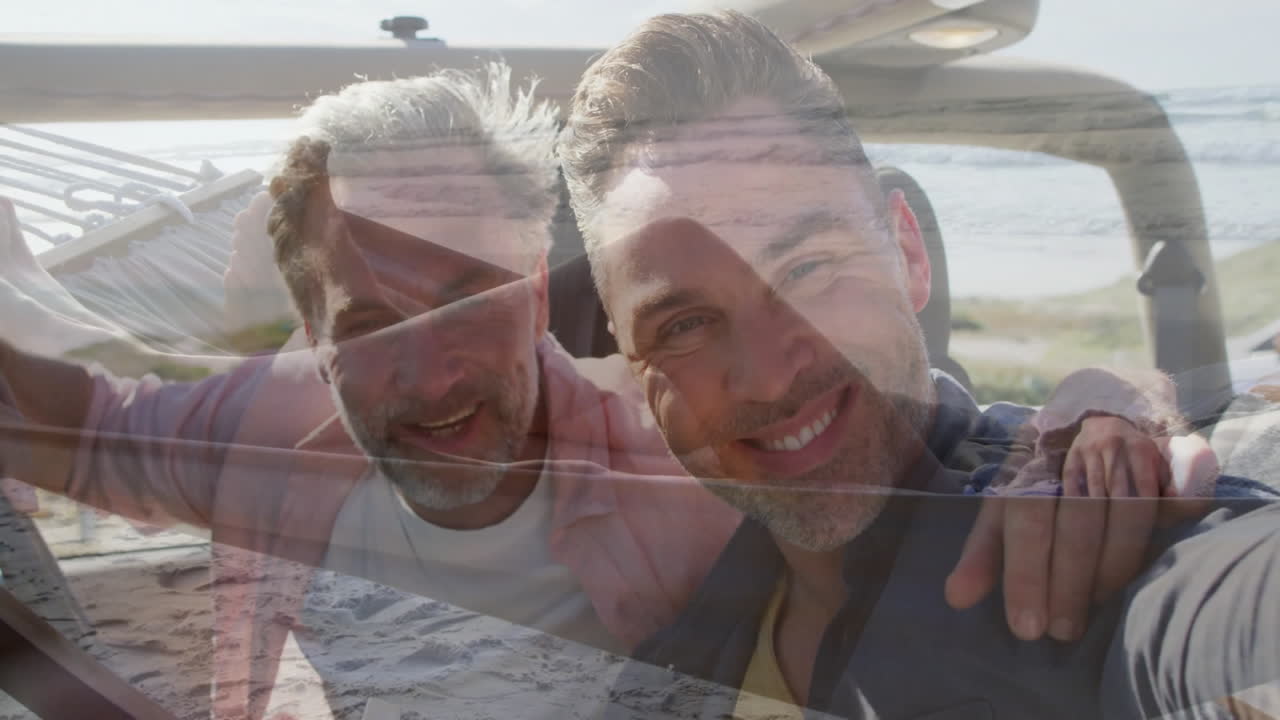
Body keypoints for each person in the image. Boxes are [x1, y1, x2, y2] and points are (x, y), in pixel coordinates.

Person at [0, 62, 1210, 719]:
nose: (427, 373)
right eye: (368, 325)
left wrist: (1107, 402)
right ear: (310, 330)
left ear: (534, 284)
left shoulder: (684, 441)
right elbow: (70, 414)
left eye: (467, 300)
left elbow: (910, 432)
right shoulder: (261, 433)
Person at [557, 11, 1279, 718]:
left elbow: (1223, 610)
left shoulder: (1079, 532)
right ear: (634, 362)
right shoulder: (673, 667)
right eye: (685, 324)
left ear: (907, 252)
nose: (770, 376)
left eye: (807, 268)